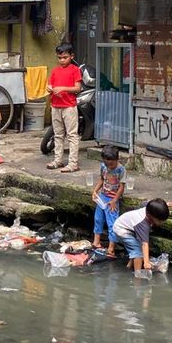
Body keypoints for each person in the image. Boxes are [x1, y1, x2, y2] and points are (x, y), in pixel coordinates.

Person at [46, 43, 83, 173]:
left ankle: (73, 163)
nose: (62, 60)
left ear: (71, 56)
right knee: (58, 135)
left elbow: (77, 88)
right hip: (55, 106)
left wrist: (63, 88)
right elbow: (50, 85)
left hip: (69, 106)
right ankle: (58, 160)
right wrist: (50, 88)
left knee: (72, 135)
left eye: (65, 57)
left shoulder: (75, 70)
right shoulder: (55, 70)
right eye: (60, 57)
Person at [111, 198, 170, 273]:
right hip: (121, 230)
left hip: (127, 226)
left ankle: (129, 267)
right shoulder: (143, 224)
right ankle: (137, 278)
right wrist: (146, 262)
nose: (162, 222)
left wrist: (164, 206)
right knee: (138, 252)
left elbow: (149, 202)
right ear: (149, 215)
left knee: (137, 248)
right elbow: (144, 244)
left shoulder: (149, 208)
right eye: (159, 220)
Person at [91, 145, 126, 256]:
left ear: (117, 159)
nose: (109, 166)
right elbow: (102, 179)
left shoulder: (121, 169)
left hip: (112, 199)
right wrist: (95, 191)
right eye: (107, 164)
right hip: (103, 196)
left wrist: (115, 200)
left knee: (112, 223)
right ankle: (96, 242)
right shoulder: (103, 166)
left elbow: (121, 187)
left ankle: (111, 248)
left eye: (111, 164)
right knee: (98, 219)